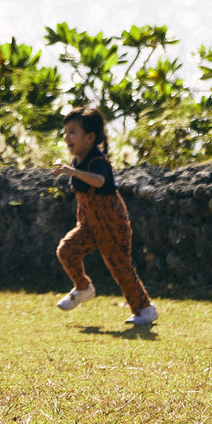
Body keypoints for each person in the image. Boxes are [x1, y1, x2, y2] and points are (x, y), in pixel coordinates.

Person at [50, 106, 159, 328]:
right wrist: (72, 171)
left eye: (72, 132)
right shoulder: (77, 160)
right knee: (66, 250)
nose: (66, 136)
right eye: (65, 131)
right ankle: (83, 288)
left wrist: (73, 173)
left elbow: (99, 181)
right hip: (89, 223)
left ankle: (144, 309)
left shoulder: (97, 160)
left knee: (120, 266)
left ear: (90, 137)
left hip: (111, 222)